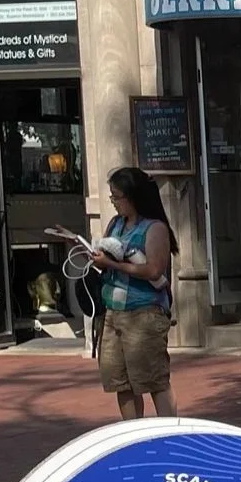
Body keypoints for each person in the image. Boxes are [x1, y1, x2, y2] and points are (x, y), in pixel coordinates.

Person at [88, 167, 178, 419]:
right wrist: (96, 258)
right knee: (121, 380)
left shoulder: (154, 228)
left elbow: (153, 270)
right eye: (111, 197)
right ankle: (133, 431)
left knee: (153, 378)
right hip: (114, 311)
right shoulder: (115, 224)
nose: (114, 203)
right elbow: (105, 257)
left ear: (133, 196)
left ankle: (169, 431)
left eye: (117, 197)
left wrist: (114, 264)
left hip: (144, 312)